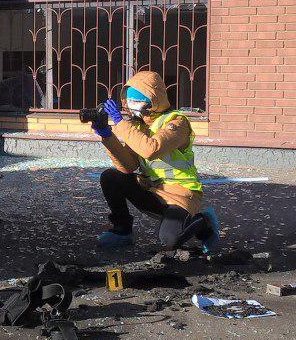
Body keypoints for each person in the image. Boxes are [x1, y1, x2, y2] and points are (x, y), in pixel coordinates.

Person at [91, 70, 218, 252]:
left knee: (169, 241)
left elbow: (150, 149)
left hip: (180, 194)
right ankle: (122, 231)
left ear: (152, 100)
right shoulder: (137, 126)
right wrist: (107, 135)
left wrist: (119, 123)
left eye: (136, 100)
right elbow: (128, 166)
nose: (131, 105)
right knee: (111, 177)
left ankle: (204, 222)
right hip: (152, 190)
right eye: (129, 100)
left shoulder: (177, 123)